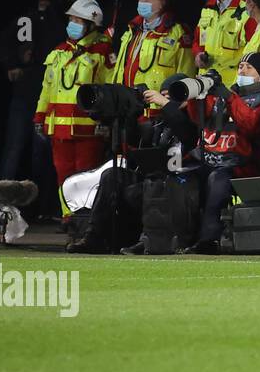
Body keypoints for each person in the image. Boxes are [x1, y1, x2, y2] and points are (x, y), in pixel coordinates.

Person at [77, 73, 201, 255]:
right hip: (152, 178)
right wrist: (131, 115)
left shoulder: (195, 120)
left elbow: (187, 134)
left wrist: (166, 104)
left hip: (181, 183)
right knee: (112, 175)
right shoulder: (159, 123)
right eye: (163, 95)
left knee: (156, 184)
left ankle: (148, 241)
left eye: (171, 95)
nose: (165, 99)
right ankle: (93, 236)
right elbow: (135, 141)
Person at [178, 52, 260, 255]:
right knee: (181, 178)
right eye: (240, 66)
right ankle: (177, 237)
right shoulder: (226, 95)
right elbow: (198, 118)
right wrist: (198, 95)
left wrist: (228, 97)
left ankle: (209, 239)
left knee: (218, 179)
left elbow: (250, 124)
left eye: (249, 67)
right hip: (212, 158)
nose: (242, 70)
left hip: (242, 165)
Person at [33, 0, 114, 217]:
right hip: (59, 128)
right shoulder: (59, 52)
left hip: (89, 128)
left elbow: (110, 88)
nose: (73, 24)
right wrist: (39, 117)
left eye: (78, 20)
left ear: (90, 24)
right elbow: (47, 89)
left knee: (85, 175)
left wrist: (107, 121)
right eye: (71, 20)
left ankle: (86, 218)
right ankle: (69, 218)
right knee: (63, 174)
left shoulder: (102, 52)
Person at [0, 0, 63, 217]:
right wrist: (12, 63)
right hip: (31, 96)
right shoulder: (51, 22)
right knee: (27, 151)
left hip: (38, 97)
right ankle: (4, 208)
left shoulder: (33, 20)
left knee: (32, 152)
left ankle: (36, 208)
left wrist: (13, 64)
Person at [108, 0, 195, 117]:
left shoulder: (178, 33)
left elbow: (186, 74)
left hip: (158, 113)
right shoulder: (132, 30)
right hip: (126, 111)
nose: (141, 2)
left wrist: (175, 110)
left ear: (162, 3)